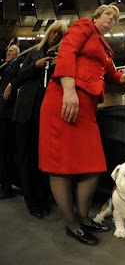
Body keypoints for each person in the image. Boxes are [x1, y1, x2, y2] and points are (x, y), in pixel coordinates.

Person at [38, 4, 125, 246]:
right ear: (96, 16)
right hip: (64, 99)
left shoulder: (104, 47)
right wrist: (69, 90)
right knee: (60, 166)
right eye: (107, 14)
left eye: (114, 18)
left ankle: (83, 217)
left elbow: (110, 74)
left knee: (94, 166)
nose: (111, 19)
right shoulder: (84, 26)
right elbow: (67, 52)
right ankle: (72, 224)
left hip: (87, 108)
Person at [12, 20, 67, 218]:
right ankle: (31, 202)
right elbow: (18, 77)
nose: (55, 37)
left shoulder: (61, 57)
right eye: (54, 33)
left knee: (41, 158)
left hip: (45, 115)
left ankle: (43, 199)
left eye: (59, 35)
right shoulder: (33, 52)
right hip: (24, 113)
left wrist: (59, 64)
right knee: (25, 158)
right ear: (49, 33)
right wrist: (35, 65)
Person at [0, 45, 21, 199]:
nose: (8, 53)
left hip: (7, 114)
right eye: (7, 51)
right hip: (3, 113)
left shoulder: (16, 65)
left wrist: (11, 84)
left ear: (17, 54)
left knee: (5, 150)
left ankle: (7, 187)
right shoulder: (7, 67)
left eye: (11, 51)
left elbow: (19, 77)